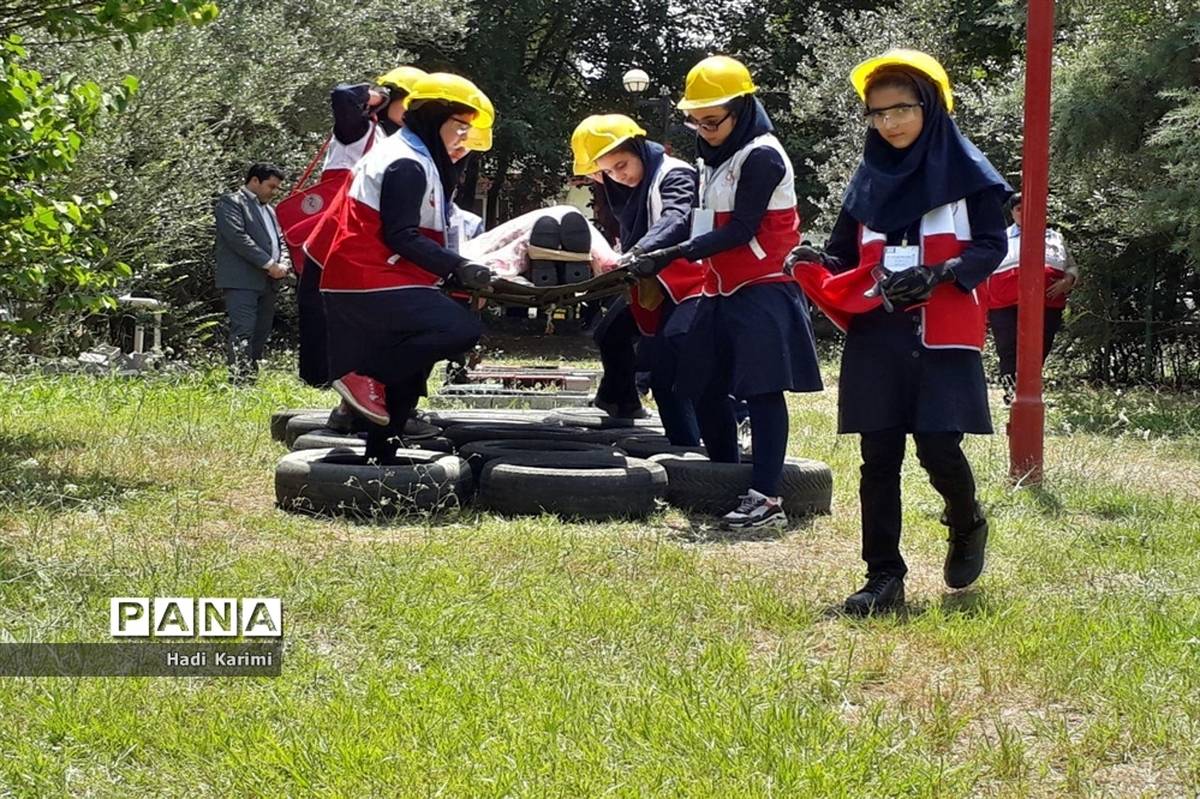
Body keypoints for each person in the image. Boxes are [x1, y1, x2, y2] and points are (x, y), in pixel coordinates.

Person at [789, 49, 1011, 615]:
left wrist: (942, 275)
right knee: (878, 456)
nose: (889, 123)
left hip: (944, 327)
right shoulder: (867, 179)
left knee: (939, 446)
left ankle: (966, 521)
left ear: (930, 105)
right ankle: (884, 575)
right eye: (877, 113)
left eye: (901, 110)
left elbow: (991, 246)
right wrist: (814, 260)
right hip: (878, 331)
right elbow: (842, 253)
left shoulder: (973, 176)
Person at [629, 55, 823, 529]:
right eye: (694, 120)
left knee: (762, 390)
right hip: (719, 290)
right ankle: (725, 474)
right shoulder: (712, 157)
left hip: (764, 288)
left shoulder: (762, 154)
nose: (703, 129)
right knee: (703, 383)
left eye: (712, 120)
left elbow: (741, 229)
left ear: (742, 109)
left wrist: (673, 254)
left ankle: (767, 497)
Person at [320, 72, 496, 462]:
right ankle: (366, 375)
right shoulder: (406, 162)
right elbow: (401, 235)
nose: (464, 138)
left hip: (383, 277)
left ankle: (382, 455)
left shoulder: (418, 157)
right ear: (435, 118)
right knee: (460, 329)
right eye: (460, 127)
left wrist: (453, 269)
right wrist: (459, 267)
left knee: (413, 363)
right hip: (368, 279)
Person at [570, 114, 705, 443]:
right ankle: (621, 403)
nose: (620, 176)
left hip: (691, 282)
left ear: (640, 148)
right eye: (609, 171)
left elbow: (677, 217)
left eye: (622, 165)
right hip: (653, 281)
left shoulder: (675, 174)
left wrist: (637, 251)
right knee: (610, 333)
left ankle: (695, 445)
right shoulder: (625, 187)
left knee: (669, 367)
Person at [297, 66, 427, 389]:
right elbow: (343, 95)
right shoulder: (357, 129)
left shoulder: (387, 138)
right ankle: (323, 379)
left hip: (354, 231)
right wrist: (378, 96)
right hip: (337, 228)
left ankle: (346, 376)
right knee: (324, 305)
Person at [984, 191, 1080, 403]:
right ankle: (1012, 395)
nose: (1025, 213)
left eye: (1031, 209)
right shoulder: (1001, 237)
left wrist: (1068, 280)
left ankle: (1030, 392)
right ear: (1012, 212)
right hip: (1004, 304)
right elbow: (986, 269)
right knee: (1008, 349)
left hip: (1047, 303)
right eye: (1019, 209)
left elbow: (1071, 265)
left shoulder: (1056, 237)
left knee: (1040, 347)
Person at [213, 162, 288, 381]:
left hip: (269, 282)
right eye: (271, 186)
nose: (274, 192)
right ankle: (238, 381)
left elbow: (280, 240)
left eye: (276, 188)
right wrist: (269, 264)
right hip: (242, 281)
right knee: (243, 330)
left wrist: (283, 263)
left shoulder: (270, 210)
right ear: (254, 181)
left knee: (261, 332)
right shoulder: (231, 202)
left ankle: (250, 379)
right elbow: (238, 237)